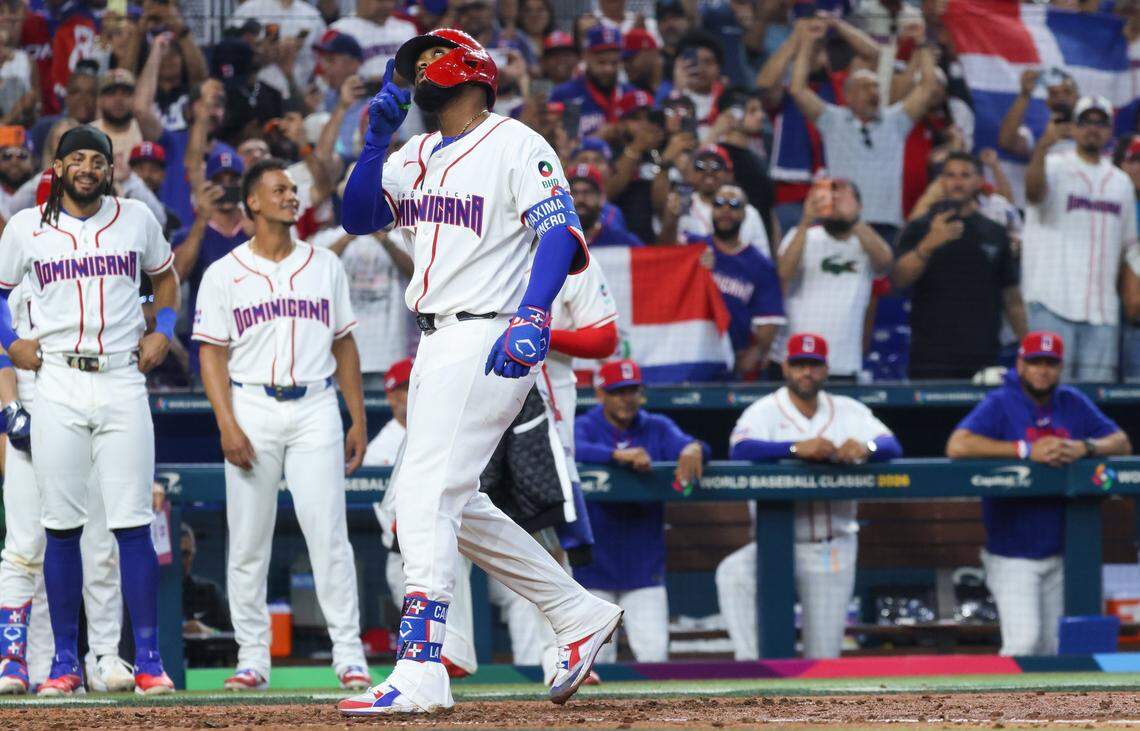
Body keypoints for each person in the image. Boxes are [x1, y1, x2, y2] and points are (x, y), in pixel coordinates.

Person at [336, 28, 622, 714]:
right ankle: (576, 611)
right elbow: (358, 214)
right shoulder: (417, 152)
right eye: (414, 65)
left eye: (431, 59)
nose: (419, 72)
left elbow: (558, 231)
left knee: (424, 494)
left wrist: (533, 314)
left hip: (490, 328)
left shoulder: (516, 142)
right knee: (451, 500)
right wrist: (372, 146)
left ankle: (422, 662)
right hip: (436, 335)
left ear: (470, 69)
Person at [0, 125, 177, 695]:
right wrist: (10, 342)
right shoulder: (25, 227)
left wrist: (165, 330)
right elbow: (1, 294)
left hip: (123, 375)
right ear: (55, 167)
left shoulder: (136, 218)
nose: (86, 167)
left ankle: (146, 659)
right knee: (60, 529)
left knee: (130, 525)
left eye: (96, 159)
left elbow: (165, 280)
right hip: (56, 379)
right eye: (75, 158)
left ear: (109, 168)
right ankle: (63, 664)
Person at [192, 158, 372, 692]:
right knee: (249, 539)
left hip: (316, 404)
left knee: (329, 535)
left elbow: (344, 343)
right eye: (280, 189)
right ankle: (253, 657)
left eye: (294, 189)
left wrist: (356, 416)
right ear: (253, 202)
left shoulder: (324, 264)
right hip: (252, 404)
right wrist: (226, 423)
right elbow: (211, 356)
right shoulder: (224, 272)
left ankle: (349, 655)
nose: (291, 196)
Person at [718, 333, 902, 659]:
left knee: (823, 657)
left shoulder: (848, 411)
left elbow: (891, 445)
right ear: (786, 367)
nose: (806, 372)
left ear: (825, 369)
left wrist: (866, 448)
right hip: (773, 544)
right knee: (733, 573)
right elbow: (740, 448)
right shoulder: (764, 411)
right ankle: (750, 666)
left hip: (829, 546)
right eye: (799, 364)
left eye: (813, 365)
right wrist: (793, 448)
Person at [946, 332, 1131, 655]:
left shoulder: (1072, 401)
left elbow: (1121, 443)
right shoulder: (1001, 402)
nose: (1042, 370)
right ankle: (1000, 708)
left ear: (1060, 367)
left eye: (1050, 363)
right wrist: (1025, 449)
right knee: (1024, 643)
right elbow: (958, 445)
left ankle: (1043, 709)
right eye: (1034, 362)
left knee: (1055, 649)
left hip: (1063, 550)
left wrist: (1085, 446)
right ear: (1020, 364)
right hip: (1012, 552)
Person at [0, 282, 135, 695]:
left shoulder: (96, 273)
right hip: (32, 410)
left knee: (98, 546)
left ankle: (103, 657)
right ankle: (17, 660)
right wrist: (10, 411)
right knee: (24, 548)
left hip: (90, 412)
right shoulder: (15, 281)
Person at [574, 359, 707, 663]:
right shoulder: (586, 426)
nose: (627, 398)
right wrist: (615, 455)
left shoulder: (656, 426)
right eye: (618, 391)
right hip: (592, 569)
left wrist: (693, 448)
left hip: (644, 568)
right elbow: (568, 446)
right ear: (600, 394)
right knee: (591, 664)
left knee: (654, 657)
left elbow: (692, 447)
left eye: (632, 390)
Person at [364, 358, 479, 680]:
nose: (408, 394)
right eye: (401, 389)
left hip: (442, 532)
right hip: (400, 546)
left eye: (412, 386)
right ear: (390, 396)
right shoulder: (381, 445)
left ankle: (452, 658)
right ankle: (427, 668)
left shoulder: (444, 425)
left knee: (449, 597)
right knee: (415, 615)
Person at [1022, 96, 1140, 382]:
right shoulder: (1053, 165)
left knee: (1094, 404)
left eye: (1101, 123)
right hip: (1052, 302)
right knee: (1048, 394)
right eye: (1086, 121)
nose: (1093, 129)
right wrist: (1043, 145)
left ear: (1110, 131)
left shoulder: (1120, 182)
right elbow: (1033, 193)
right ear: (1074, 128)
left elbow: (1130, 247)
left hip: (1102, 312)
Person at [788, 23, 940, 238]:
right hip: (840, 223)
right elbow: (797, 89)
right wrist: (807, 44)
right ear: (848, 95)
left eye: (876, 86)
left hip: (886, 225)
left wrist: (922, 43)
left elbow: (927, 87)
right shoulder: (833, 120)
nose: (873, 92)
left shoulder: (896, 121)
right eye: (865, 87)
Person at [893, 152, 1027, 379]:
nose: (957, 182)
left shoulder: (994, 232)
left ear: (979, 181)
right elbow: (898, 279)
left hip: (982, 355)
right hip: (929, 356)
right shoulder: (919, 227)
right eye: (950, 175)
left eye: (965, 175)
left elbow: (1012, 299)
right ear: (941, 181)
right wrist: (928, 245)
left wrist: (1027, 347)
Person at [774, 179, 893, 379]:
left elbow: (885, 263)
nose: (835, 199)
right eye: (830, 195)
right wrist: (805, 220)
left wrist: (854, 220)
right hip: (795, 359)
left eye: (843, 195)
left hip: (843, 362)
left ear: (860, 206)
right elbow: (784, 273)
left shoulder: (866, 243)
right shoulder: (802, 235)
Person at [309, 220, 413, 388]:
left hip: (390, 356)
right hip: (343, 357)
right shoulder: (327, 238)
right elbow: (310, 273)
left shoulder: (401, 237)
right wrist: (347, 237)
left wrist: (386, 242)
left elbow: (418, 273)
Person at [173, 147, 250, 374]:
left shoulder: (255, 232)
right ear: (207, 186)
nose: (225, 187)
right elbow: (176, 276)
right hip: (208, 349)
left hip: (254, 349)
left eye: (232, 180)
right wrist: (201, 218)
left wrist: (257, 228)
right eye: (219, 181)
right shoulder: (190, 235)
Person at [699, 184, 785, 379]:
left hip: (732, 356)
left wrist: (753, 355)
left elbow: (769, 320)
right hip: (694, 350)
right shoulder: (693, 247)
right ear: (711, 210)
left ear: (745, 214)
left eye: (734, 205)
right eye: (719, 203)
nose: (726, 210)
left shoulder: (760, 265)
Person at [550, 24, 633, 138]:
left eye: (614, 63)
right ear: (586, 56)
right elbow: (565, 145)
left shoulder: (630, 94)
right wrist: (598, 137)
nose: (608, 69)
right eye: (601, 62)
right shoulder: (567, 95)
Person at [998, 68, 1078, 161]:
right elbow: (1007, 142)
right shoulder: (1038, 130)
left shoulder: (1092, 127)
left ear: (1077, 96)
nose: (1061, 97)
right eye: (1054, 94)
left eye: (1067, 92)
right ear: (1047, 100)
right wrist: (1025, 94)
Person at [568, 163, 642, 248]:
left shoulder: (622, 242)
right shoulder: (554, 241)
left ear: (602, 198)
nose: (580, 199)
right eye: (573, 193)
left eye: (588, 192)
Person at [181, 523, 231, 637]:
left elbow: (232, 638)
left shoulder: (210, 592)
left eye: (186, 554)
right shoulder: (152, 595)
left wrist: (206, 631)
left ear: (193, 554)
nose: (181, 561)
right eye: (177, 554)